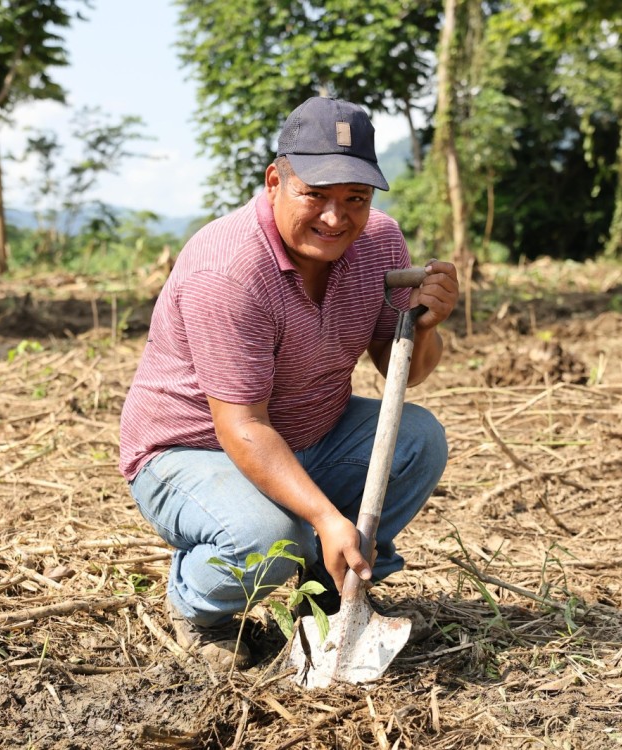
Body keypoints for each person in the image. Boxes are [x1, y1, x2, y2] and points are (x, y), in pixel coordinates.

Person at [119, 96, 458, 670]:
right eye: (316, 195)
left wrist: (425, 325)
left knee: (418, 439)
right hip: (192, 451)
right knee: (267, 541)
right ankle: (195, 608)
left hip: (311, 431)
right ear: (275, 180)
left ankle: (330, 590)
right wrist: (326, 518)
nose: (336, 218)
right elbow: (243, 427)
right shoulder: (228, 270)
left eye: (356, 198)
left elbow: (406, 368)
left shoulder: (378, 242)